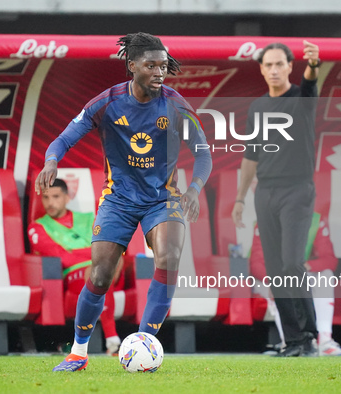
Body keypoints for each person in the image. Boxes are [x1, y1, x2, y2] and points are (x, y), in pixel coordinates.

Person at [35, 32, 212, 372]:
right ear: (132, 67)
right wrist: (52, 160)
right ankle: (78, 352)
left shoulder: (176, 105)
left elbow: (203, 154)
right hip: (118, 200)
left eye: (163, 65)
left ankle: (144, 347)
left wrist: (194, 190)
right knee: (101, 275)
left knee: (170, 256)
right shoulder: (108, 102)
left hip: (164, 198)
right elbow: (64, 138)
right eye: (151, 65)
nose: (159, 72)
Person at [232, 40, 321, 357]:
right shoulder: (257, 108)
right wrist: (240, 198)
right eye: (267, 65)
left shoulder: (300, 99)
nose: (273, 70)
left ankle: (309, 336)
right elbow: (250, 155)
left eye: (279, 64)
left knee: (293, 263)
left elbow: (311, 86)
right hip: (265, 192)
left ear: (289, 66)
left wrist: (314, 64)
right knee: (276, 270)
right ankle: (294, 341)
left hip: (297, 189)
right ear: (261, 68)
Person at [28, 178, 121, 356]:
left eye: (55, 196)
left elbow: (110, 246)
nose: (50, 202)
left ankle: (116, 342)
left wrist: (85, 252)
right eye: (46, 198)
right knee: (99, 271)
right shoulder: (37, 227)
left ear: (67, 197)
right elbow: (61, 256)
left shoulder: (88, 218)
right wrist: (95, 253)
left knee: (115, 257)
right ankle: (113, 340)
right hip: (71, 276)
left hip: (105, 269)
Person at [250, 215, 341, 356]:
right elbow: (256, 264)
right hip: (267, 278)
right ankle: (289, 343)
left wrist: (305, 266)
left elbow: (329, 260)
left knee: (326, 275)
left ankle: (324, 341)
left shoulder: (314, 219)